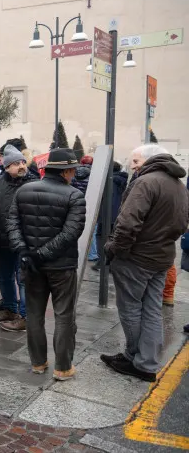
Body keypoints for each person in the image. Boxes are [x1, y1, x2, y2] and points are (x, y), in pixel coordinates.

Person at [101, 145, 189, 382]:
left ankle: (133, 357)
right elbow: (182, 224)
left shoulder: (146, 182)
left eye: (136, 160)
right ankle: (146, 362)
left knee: (130, 308)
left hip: (136, 258)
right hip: (161, 257)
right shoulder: (178, 185)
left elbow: (127, 225)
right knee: (151, 310)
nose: (132, 165)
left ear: (152, 159)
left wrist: (113, 249)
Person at [7, 148, 86, 381]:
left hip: (31, 265)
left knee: (34, 314)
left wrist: (25, 252)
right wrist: (39, 254)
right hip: (61, 266)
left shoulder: (24, 190)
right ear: (67, 171)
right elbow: (71, 233)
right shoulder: (74, 195)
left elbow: (11, 223)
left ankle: (38, 363)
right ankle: (63, 367)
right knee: (64, 315)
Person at [0, 145, 38, 332]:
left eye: (23, 162)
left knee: (23, 279)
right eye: (16, 163)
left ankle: (25, 317)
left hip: (25, 241)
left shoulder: (34, 184)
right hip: (1, 241)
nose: (21, 166)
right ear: (6, 167)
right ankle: (10, 309)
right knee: (4, 276)